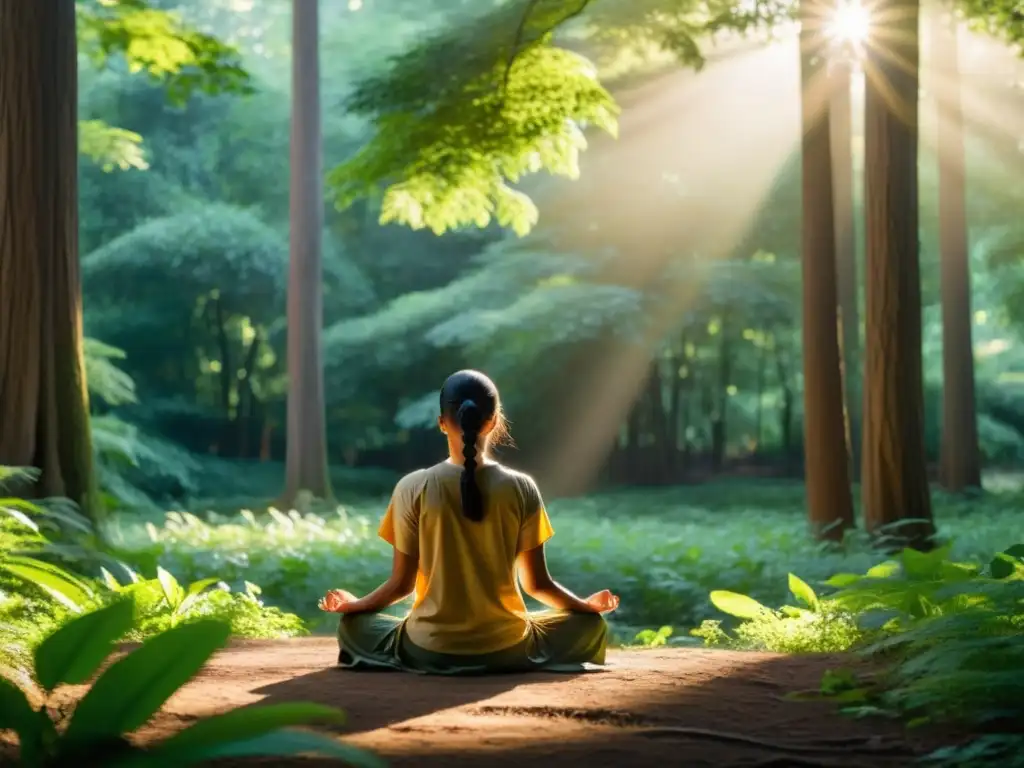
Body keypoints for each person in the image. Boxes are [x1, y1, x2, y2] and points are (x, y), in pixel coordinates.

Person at [318, 369, 619, 675]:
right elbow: (537, 585)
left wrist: (353, 606)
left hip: (429, 648)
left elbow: (401, 585)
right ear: (494, 421)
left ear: (441, 422)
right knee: (589, 625)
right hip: (507, 648)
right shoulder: (521, 487)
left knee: (354, 627)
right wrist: (587, 607)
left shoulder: (413, 487)